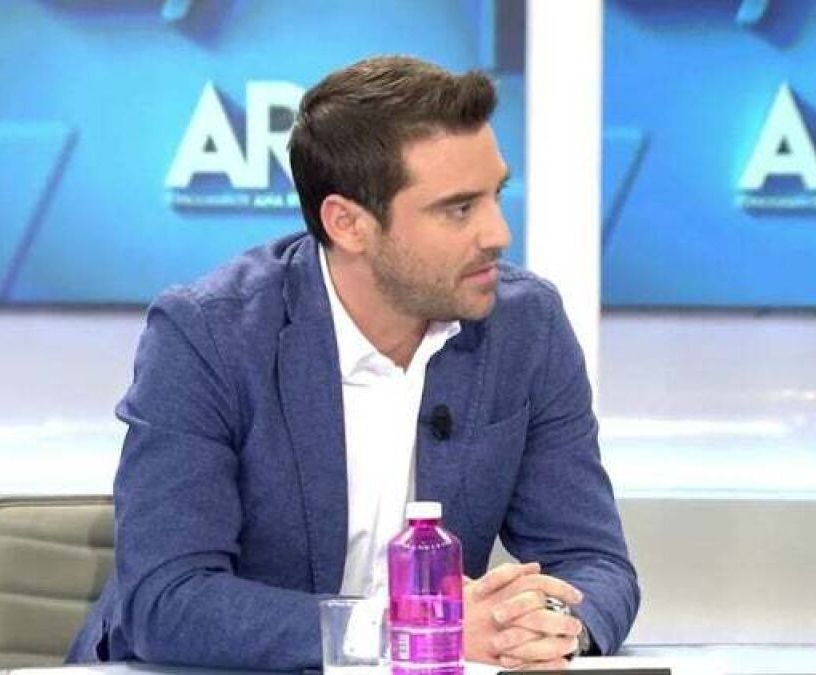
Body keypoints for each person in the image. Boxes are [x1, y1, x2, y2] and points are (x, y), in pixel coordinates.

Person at [67, 55, 639, 671]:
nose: (498, 233)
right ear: (348, 224)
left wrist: (542, 623)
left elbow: (594, 561)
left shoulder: (525, 325)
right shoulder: (209, 335)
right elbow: (168, 600)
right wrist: (409, 630)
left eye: (495, 196)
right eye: (459, 209)